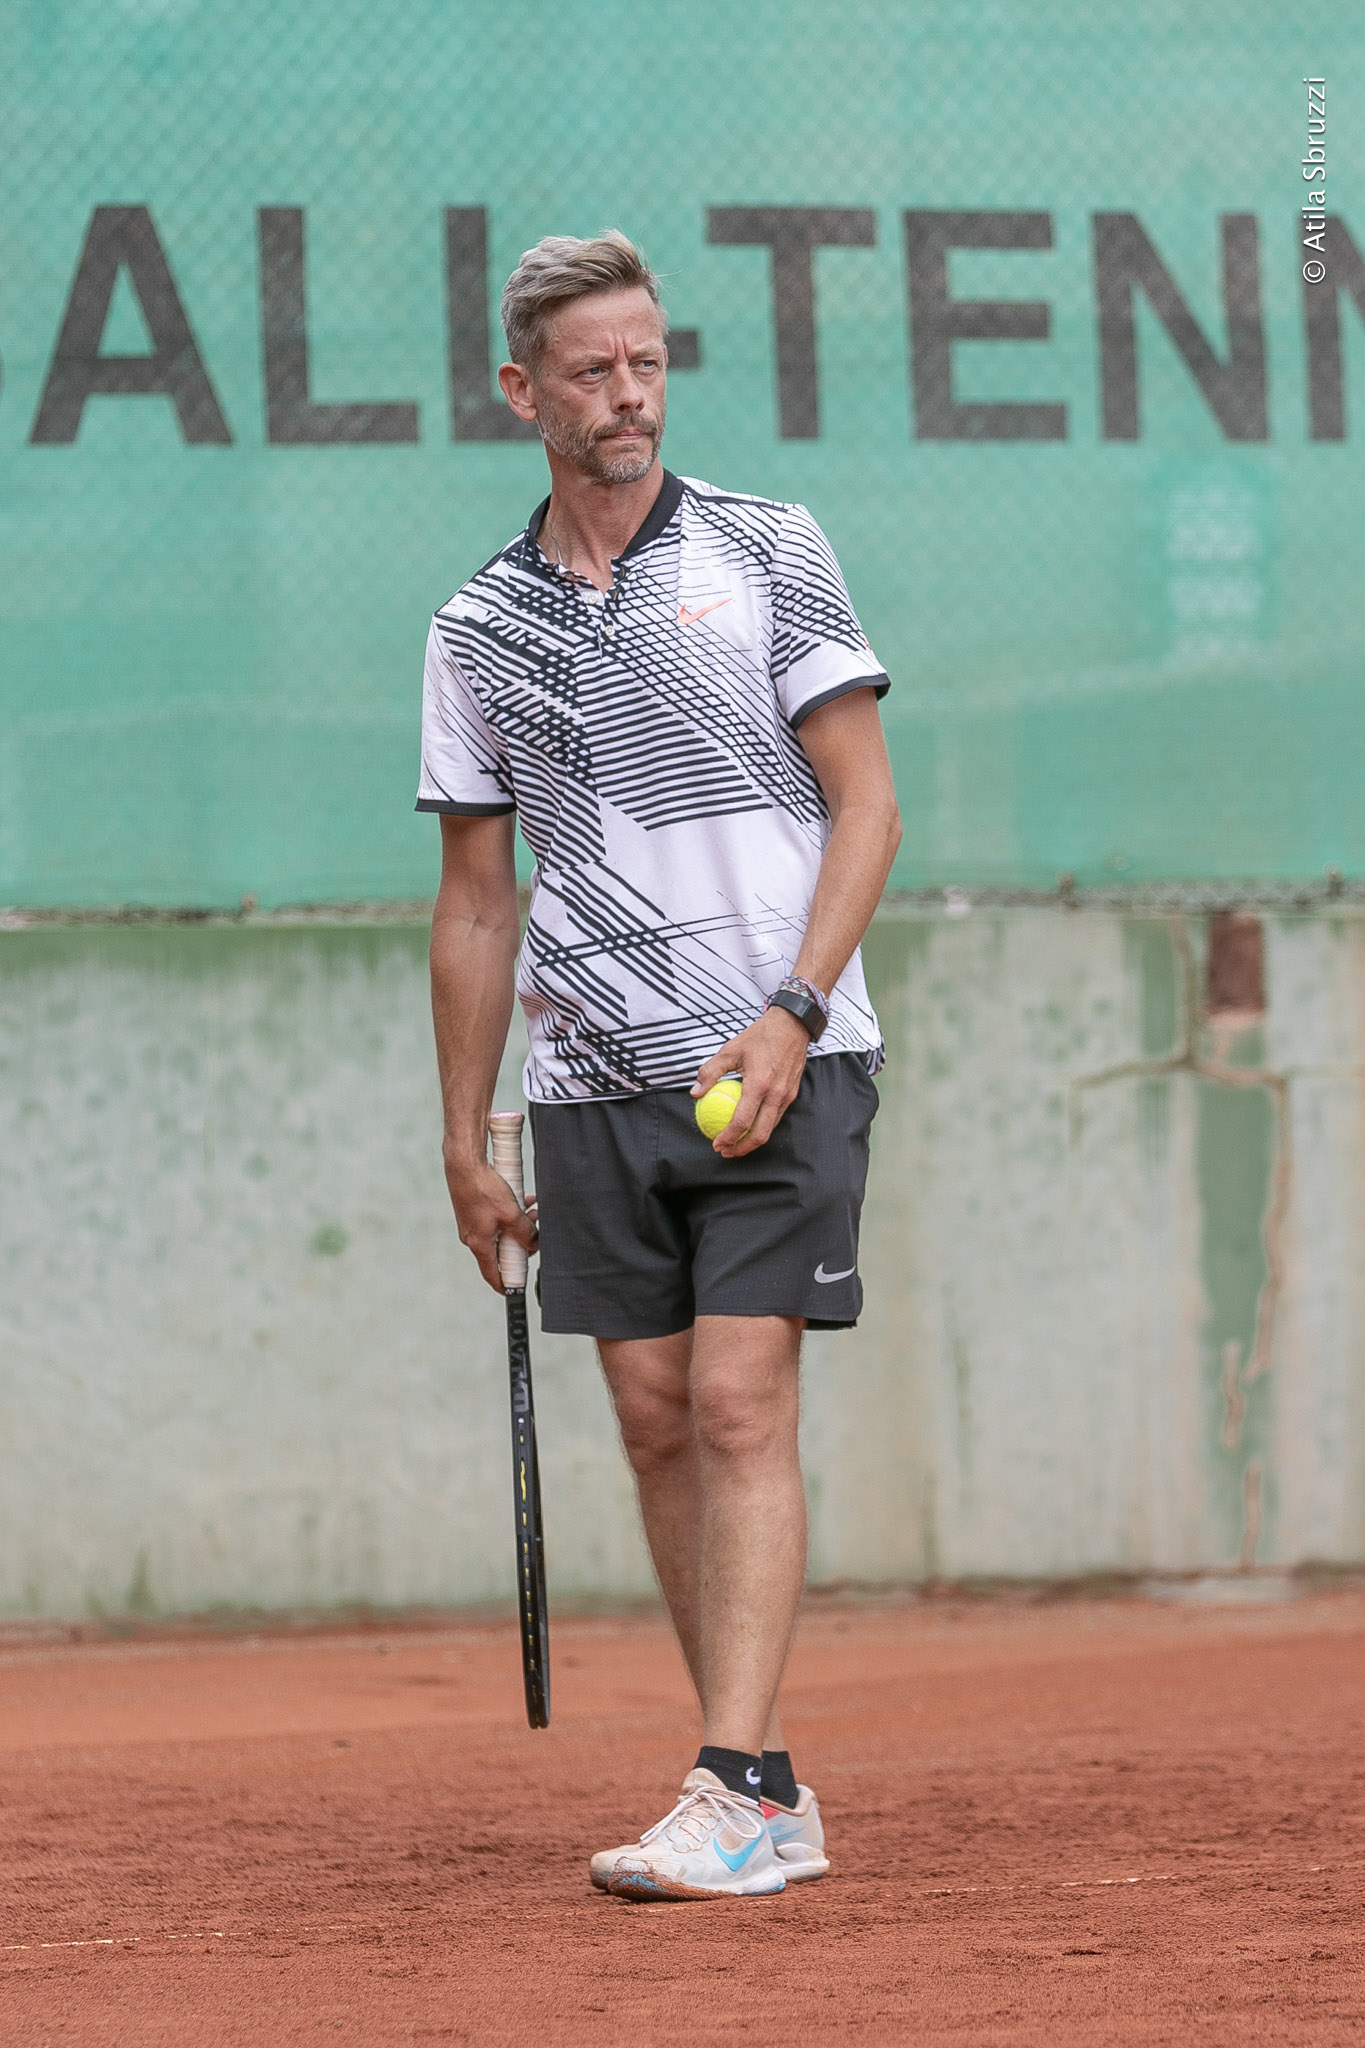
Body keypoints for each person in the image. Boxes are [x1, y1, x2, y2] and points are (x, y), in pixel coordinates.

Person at [419, 231, 901, 1901]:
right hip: (586, 1079)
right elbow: (475, 899)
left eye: (647, 363)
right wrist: (465, 1135)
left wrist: (791, 1007)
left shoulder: (769, 546)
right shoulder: (476, 624)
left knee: (735, 1396)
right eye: (592, 370)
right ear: (522, 390)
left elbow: (867, 804)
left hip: (782, 1052)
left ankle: (738, 1783)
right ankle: (758, 1778)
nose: (627, 396)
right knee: (650, 1419)